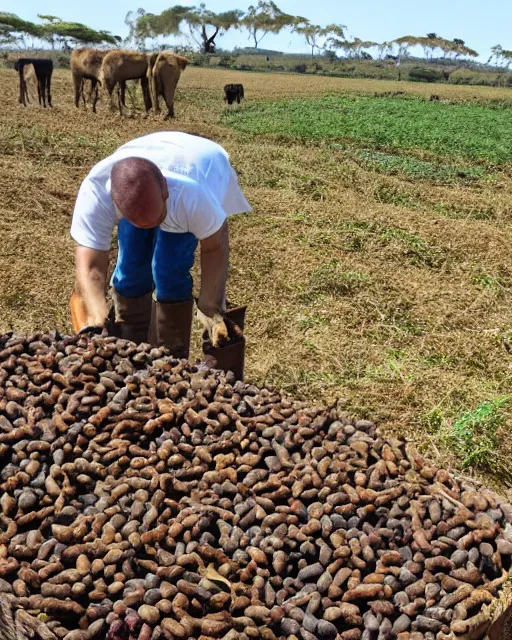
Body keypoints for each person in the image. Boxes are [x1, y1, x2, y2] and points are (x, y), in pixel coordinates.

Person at [69, 131, 251, 360]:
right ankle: (130, 350)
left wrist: (210, 306)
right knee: (130, 269)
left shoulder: (192, 196)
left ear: (165, 189)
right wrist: (96, 319)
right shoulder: (96, 194)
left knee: (169, 271)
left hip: (197, 162)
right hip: (145, 172)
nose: (152, 227)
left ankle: (170, 357)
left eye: (157, 218)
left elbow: (214, 246)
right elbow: (91, 267)